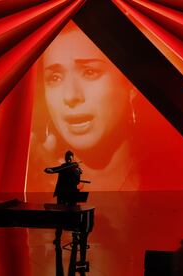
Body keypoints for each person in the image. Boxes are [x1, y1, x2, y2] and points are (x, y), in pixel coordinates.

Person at [28, 21, 139, 192]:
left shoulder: (174, 179)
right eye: (55, 78)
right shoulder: (35, 184)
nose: (70, 96)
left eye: (89, 72)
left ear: (130, 83)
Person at [44, 150, 84, 243]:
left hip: (72, 194)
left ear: (73, 158)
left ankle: (75, 236)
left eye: (70, 157)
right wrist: (49, 170)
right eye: (67, 157)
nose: (68, 158)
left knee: (74, 215)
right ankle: (58, 238)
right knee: (59, 216)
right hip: (62, 194)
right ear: (65, 158)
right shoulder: (63, 167)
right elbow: (54, 169)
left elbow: (77, 182)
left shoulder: (76, 168)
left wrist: (78, 174)